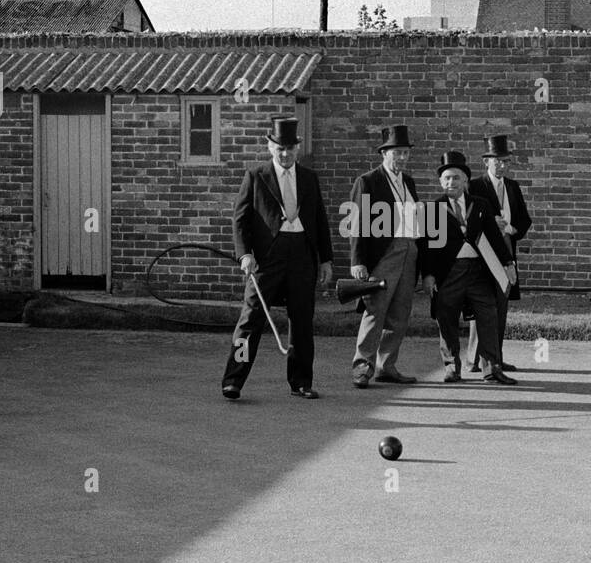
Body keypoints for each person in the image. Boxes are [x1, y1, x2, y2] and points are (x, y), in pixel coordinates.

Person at [221, 117, 333, 400]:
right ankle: (233, 380)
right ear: (270, 147)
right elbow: (240, 220)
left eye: (290, 149)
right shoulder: (256, 176)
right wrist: (245, 254)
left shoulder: (309, 178)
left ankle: (301, 382)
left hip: (302, 255)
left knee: (302, 321)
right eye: (279, 148)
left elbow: (320, 220)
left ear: (297, 148)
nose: (285, 154)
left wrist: (325, 260)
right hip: (267, 257)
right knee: (250, 319)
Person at [421, 150, 518, 385]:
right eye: (446, 178)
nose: (451, 182)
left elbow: (495, 238)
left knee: (488, 315)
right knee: (446, 317)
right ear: (440, 182)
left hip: (478, 271)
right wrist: (429, 275)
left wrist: (508, 263)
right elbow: (427, 248)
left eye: (456, 177)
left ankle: (491, 368)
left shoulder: (480, 205)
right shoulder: (434, 209)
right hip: (449, 272)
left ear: (465, 181)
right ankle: (451, 367)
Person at [349, 125, 421, 388]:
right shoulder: (368, 181)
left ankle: (386, 366)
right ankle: (362, 367)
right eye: (396, 153)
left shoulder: (408, 181)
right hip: (383, 254)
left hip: (408, 251)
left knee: (400, 313)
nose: (401, 158)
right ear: (384, 153)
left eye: (405, 153)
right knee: (375, 310)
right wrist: (358, 261)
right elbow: (357, 222)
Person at [466, 134, 532, 372]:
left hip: (506, 252)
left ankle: (496, 358)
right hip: (482, 256)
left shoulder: (513, 187)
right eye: (497, 161)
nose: (502, 165)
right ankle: (473, 359)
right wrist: (489, 221)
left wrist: (512, 229)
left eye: (506, 161)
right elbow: (467, 221)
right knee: (481, 305)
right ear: (486, 161)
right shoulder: (474, 186)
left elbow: (525, 220)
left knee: (500, 306)